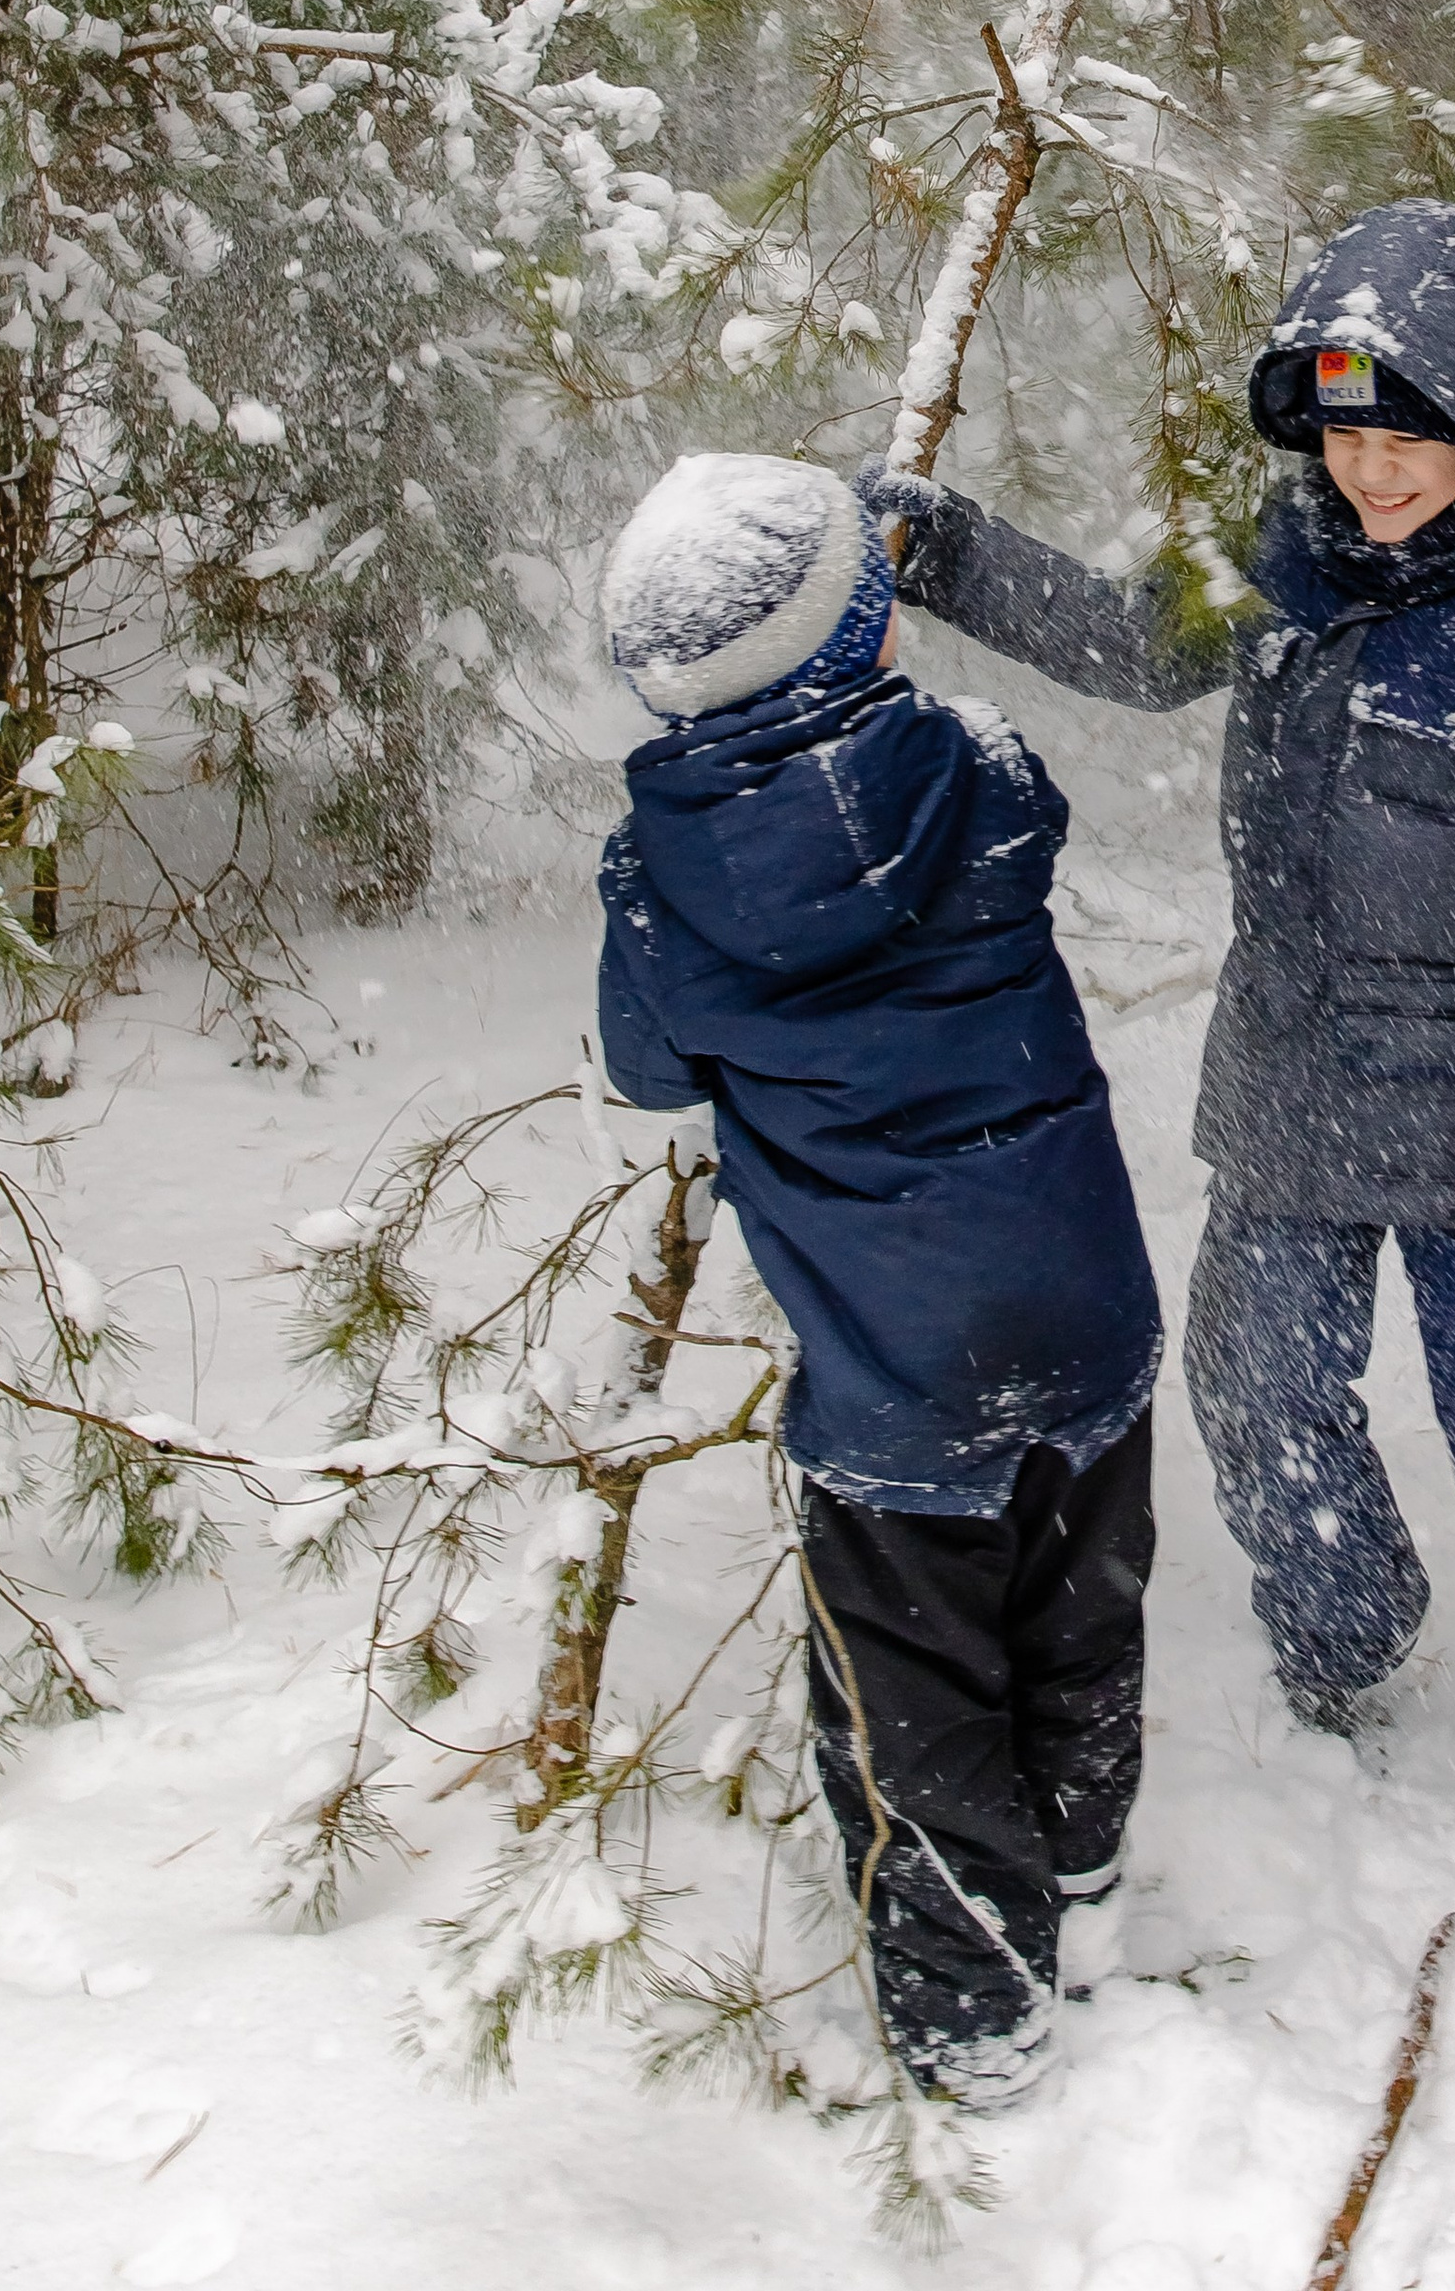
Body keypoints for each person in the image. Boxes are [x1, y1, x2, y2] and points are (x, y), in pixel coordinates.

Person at [863, 198, 1455, 1952]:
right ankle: (1344, 1620)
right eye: (1343, 432)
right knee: (1253, 1390)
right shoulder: (1282, 564)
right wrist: (939, 550)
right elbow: (1129, 637)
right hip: (1292, 1090)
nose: (1371, 469)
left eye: (1411, 435)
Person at [594, 453, 1162, 2108]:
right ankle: (1084, 1859)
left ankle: (975, 2007)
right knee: (1080, 1607)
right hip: (1080, 1308)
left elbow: (648, 1066)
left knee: (913, 1694)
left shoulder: (658, 887)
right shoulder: (980, 776)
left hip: (892, 1374)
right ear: (872, 633)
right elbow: (1009, 812)